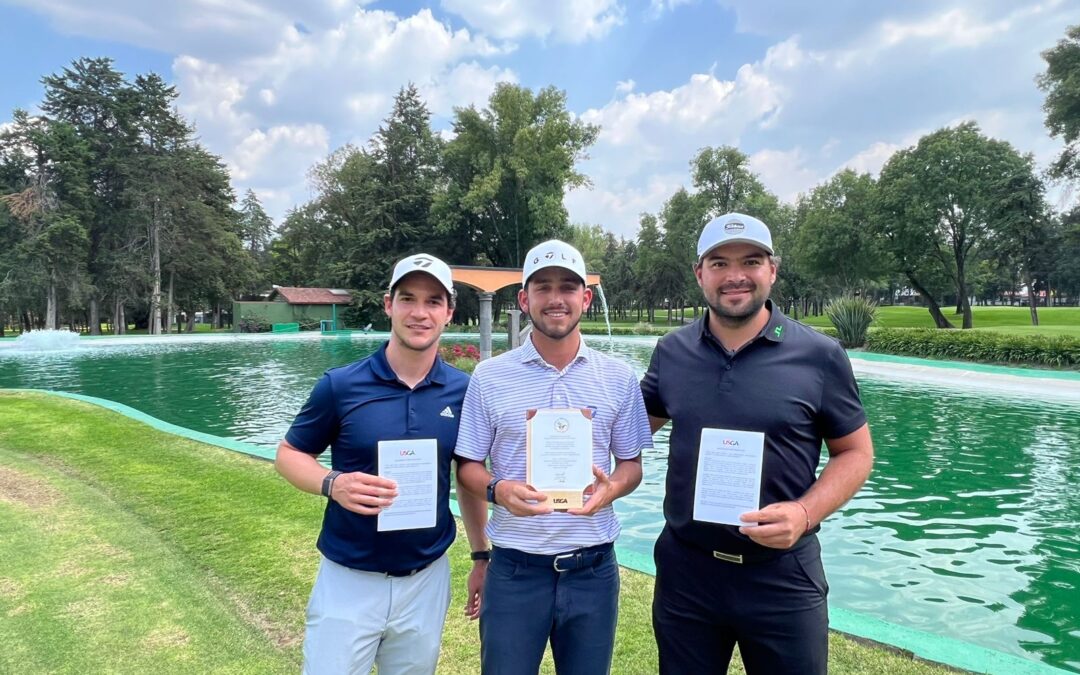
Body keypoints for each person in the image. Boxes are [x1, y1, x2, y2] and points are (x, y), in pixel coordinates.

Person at [641, 213, 874, 675]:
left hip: (782, 574)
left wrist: (805, 513)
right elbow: (627, 430)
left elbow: (856, 452)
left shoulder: (819, 355)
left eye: (750, 260)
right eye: (719, 262)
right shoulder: (673, 352)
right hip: (688, 573)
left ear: (772, 269)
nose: (734, 276)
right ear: (699, 272)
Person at [274, 253, 484, 675]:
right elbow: (289, 454)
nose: (419, 313)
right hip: (349, 577)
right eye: (408, 299)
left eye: (432, 301)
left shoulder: (466, 390)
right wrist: (333, 483)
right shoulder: (341, 385)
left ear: (449, 313)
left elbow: (467, 474)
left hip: (426, 577)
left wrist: (481, 555)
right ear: (388, 305)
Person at [455, 239, 653, 675]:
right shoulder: (490, 376)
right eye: (542, 287)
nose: (556, 298)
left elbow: (632, 464)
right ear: (525, 299)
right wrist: (497, 488)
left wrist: (613, 488)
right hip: (515, 570)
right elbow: (467, 464)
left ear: (585, 297)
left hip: (593, 569)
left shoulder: (618, 377)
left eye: (567, 287)